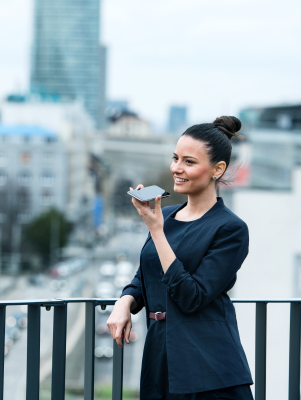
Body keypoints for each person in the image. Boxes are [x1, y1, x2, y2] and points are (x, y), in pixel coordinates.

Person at [107, 116, 254, 400]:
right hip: (159, 356)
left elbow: (192, 297)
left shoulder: (230, 229)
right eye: (176, 158)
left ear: (217, 169)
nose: (176, 168)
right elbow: (146, 275)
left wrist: (156, 230)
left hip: (208, 366)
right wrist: (125, 301)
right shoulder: (168, 216)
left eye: (189, 161)